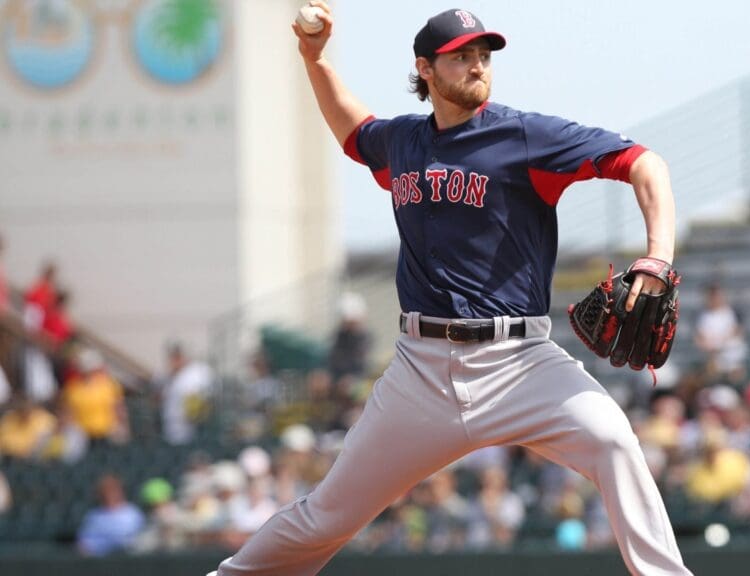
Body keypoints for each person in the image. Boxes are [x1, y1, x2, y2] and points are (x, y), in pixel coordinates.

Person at [210, 5, 691, 576]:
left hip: (520, 362)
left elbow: (645, 163)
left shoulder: (525, 137)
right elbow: (353, 131)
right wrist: (315, 61)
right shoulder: (404, 142)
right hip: (421, 372)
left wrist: (657, 257)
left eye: (483, 55)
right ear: (426, 69)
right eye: (461, 56)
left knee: (614, 443)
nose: (477, 65)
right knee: (326, 517)